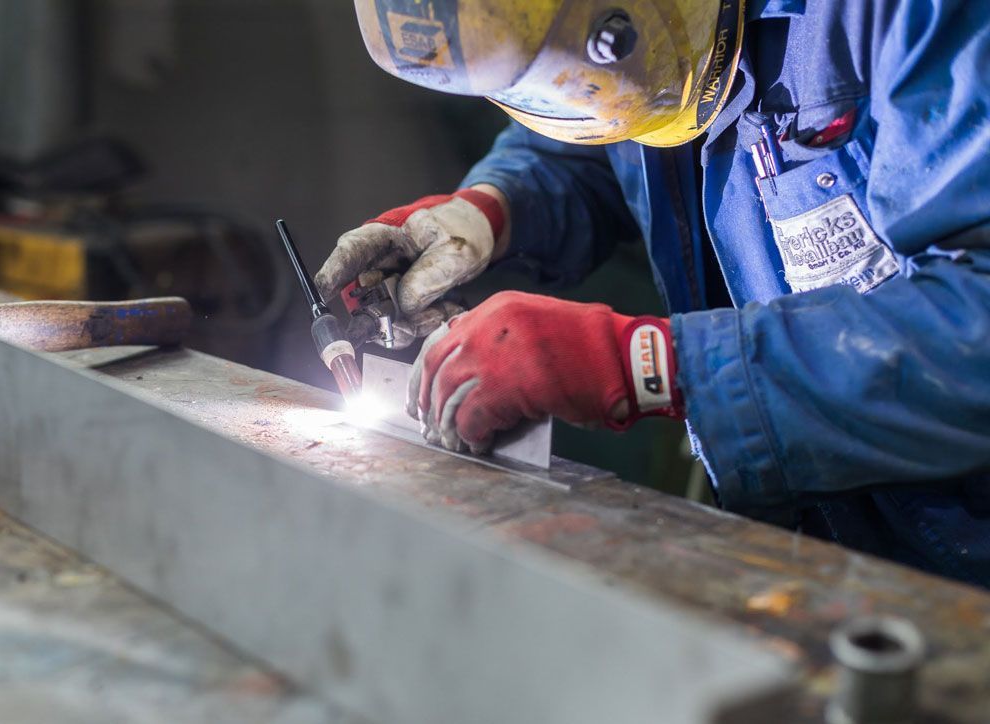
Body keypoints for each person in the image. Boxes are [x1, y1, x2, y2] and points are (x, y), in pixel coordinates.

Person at [315, 0, 990, 587]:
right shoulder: (652, 42)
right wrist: (490, 209)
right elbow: (612, 118)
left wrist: (652, 363)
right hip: (810, 532)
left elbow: (976, 331)